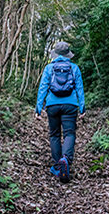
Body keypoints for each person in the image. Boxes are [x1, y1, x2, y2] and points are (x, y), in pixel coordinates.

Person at [35, 41, 85, 183]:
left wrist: (38, 108)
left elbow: (43, 87)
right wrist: (82, 108)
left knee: (54, 134)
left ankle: (58, 166)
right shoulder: (74, 68)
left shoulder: (49, 68)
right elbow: (79, 88)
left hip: (52, 105)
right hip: (70, 105)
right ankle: (66, 160)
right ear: (67, 54)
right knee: (69, 133)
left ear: (55, 54)